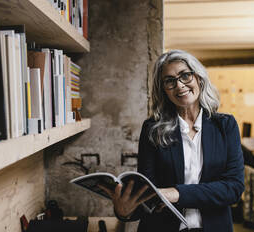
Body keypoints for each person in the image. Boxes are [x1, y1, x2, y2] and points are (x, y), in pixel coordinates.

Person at [101, 50, 245, 232]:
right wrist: (125, 212)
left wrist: (176, 193)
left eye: (185, 75)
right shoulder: (152, 128)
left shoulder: (225, 125)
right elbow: (148, 193)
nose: (179, 85)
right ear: (163, 90)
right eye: (170, 81)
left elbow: (233, 188)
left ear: (198, 78)